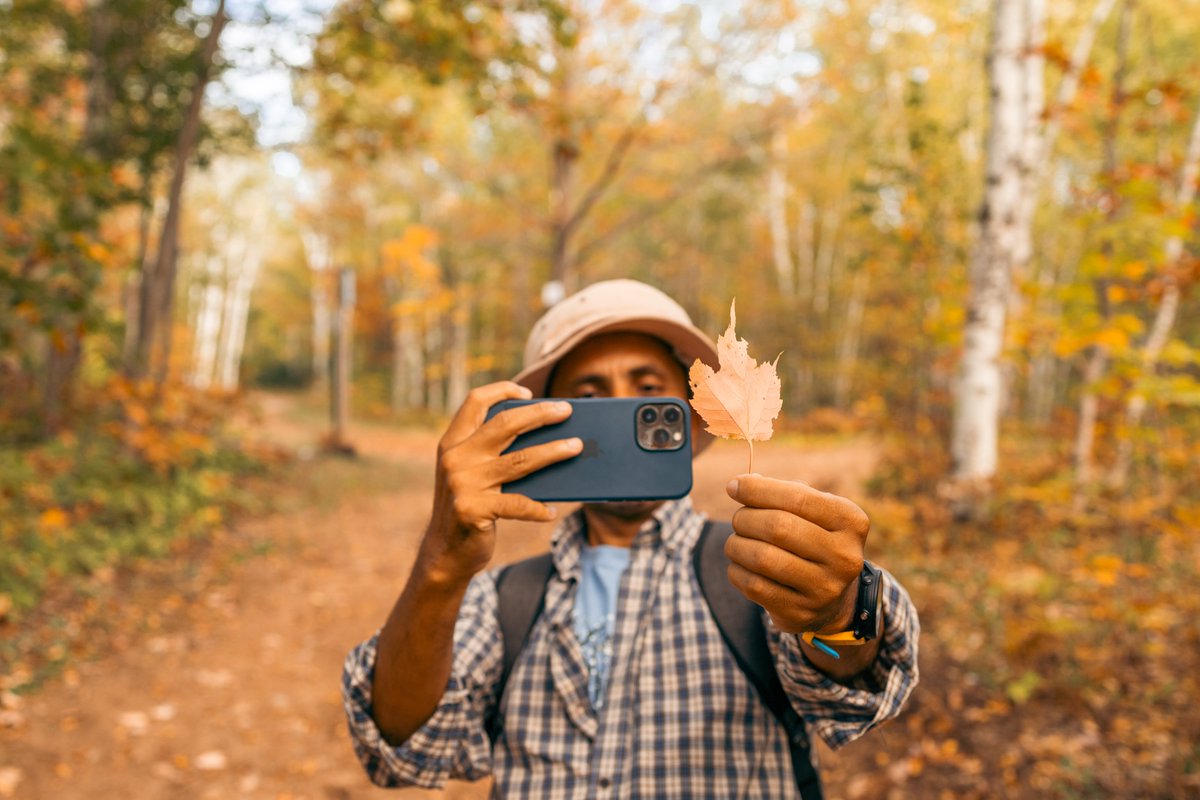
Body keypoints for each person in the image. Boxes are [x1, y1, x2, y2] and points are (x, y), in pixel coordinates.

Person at [342, 279, 919, 798]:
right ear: (541, 428)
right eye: (591, 401)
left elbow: (847, 679)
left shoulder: (755, 573)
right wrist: (441, 565)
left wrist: (841, 609)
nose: (626, 415)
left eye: (649, 392)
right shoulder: (503, 603)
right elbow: (401, 740)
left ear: (694, 420)